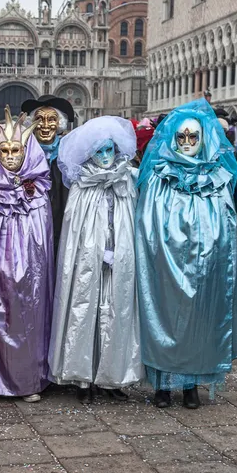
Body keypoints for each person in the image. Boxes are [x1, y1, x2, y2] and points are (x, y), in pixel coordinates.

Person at [136, 99, 237, 409]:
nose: (187, 143)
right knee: (163, 321)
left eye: (193, 137)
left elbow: (225, 224)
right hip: (164, 264)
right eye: (181, 137)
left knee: (199, 322)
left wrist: (217, 253)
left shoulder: (216, 179)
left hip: (205, 265)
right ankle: (162, 385)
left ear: (203, 140)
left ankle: (191, 386)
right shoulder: (159, 177)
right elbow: (146, 223)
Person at [49, 116, 143, 404]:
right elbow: (74, 230)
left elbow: (132, 220)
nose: (104, 157)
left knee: (118, 314)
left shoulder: (128, 179)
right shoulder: (81, 185)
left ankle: (112, 377)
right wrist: (93, 252)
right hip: (87, 262)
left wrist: (119, 250)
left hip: (120, 262)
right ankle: (83, 378)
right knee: (84, 313)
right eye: (98, 151)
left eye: (109, 151)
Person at [0, 106, 53, 403]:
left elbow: (43, 244)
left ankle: (25, 380)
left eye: (16, 150)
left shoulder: (38, 196)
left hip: (29, 275)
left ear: (27, 151)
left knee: (27, 314)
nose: (10, 156)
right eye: (4, 150)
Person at [21, 95, 75, 260]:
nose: (45, 125)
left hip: (62, 221)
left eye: (51, 119)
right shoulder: (21, 153)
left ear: (59, 124)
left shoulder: (69, 152)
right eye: (39, 119)